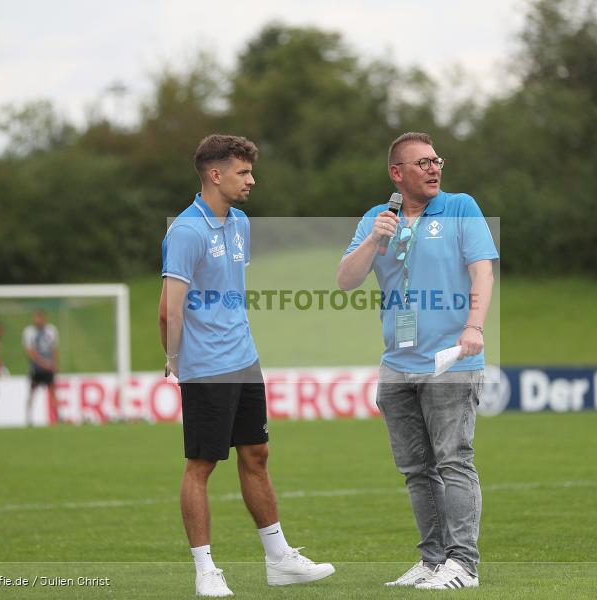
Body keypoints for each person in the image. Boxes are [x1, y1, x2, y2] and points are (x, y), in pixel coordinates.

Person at [159, 134, 335, 597]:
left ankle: (279, 560)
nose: (252, 180)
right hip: (206, 367)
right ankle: (205, 571)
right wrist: (175, 359)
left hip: (244, 359)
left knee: (256, 456)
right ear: (215, 175)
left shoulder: (240, 223)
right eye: (243, 172)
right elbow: (168, 310)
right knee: (201, 465)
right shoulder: (184, 231)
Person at [337, 132, 499, 590]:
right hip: (397, 362)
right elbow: (346, 280)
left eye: (436, 160)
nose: (433, 169)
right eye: (422, 162)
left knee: (454, 460)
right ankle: (432, 560)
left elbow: (482, 269)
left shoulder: (461, 207)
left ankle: (463, 564)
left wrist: (474, 326)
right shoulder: (376, 217)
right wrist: (373, 240)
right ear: (396, 173)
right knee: (415, 469)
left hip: (451, 360)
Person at [23, 309, 61, 425]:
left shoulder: (51, 330)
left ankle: (57, 418)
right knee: (32, 392)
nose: (38, 320)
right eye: (36, 318)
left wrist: (54, 364)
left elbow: (54, 348)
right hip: (37, 368)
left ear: (44, 318)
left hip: (49, 369)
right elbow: (30, 351)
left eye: (40, 318)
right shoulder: (29, 332)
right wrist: (44, 363)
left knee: (53, 391)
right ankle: (29, 419)